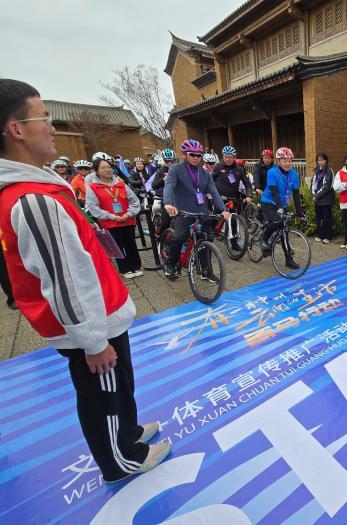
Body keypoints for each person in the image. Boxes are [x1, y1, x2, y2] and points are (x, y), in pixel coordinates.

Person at [0, 78, 170, 483]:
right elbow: (64, 280)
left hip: (103, 313)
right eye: (44, 117)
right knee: (102, 393)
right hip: (90, 327)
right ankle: (121, 459)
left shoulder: (37, 187)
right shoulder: (33, 200)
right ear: (16, 129)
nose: (52, 127)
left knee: (119, 383)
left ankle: (128, 432)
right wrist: (93, 342)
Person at [162, 139, 230, 279]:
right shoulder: (175, 169)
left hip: (202, 212)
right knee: (179, 237)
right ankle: (171, 263)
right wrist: (168, 203)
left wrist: (223, 209)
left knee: (206, 241)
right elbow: (169, 185)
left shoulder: (205, 173)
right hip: (183, 212)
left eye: (198, 155)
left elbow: (214, 192)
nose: (196, 157)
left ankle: (206, 271)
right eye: (192, 154)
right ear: (185, 154)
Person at [86, 158, 143, 279]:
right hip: (110, 223)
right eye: (103, 168)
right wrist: (112, 217)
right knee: (116, 246)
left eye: (109, 167)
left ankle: (136, 266)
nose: (107, 170)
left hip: (127, 220)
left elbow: (134, 201)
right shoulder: (92, 188)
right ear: (96, 171)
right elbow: (93, 208)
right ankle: (124, 269)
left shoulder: (121, 185)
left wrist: (129, 214)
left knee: (131, 243)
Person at [259, 147, 305, 269]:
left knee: (284, 231)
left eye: (290, 161)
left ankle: (289, 260)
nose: (288, 163)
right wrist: (279, 208)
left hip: (282, 204)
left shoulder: (294, 174)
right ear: (278, 162)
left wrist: (300, 212)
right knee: (278, 221)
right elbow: (274, 192)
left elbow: (296, 194)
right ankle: (263, 238)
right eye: (284, 161)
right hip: (269, 202)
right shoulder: (272, 172)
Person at [151, 148, 177, 234]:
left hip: (180, 199)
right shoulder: (160, 171)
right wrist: (163, 179)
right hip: (167, 200)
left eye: (172, 161)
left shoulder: (179, 169)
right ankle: (160, 237)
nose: (169, 163)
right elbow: (154, 185)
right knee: (165, 223)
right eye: (167, 161)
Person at [311, 153, 334, 244]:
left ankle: (328, 236)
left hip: (326, 199)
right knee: (318, 218)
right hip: (317, 199)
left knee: (326, 219)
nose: (320, 162)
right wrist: (313, 194)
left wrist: (317, 196)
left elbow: (327, 186)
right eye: (319, 160)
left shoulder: (329, 171)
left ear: (326, 160)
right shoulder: (316, 170)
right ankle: (320, 235)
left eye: (322, 160)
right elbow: (313, 183)